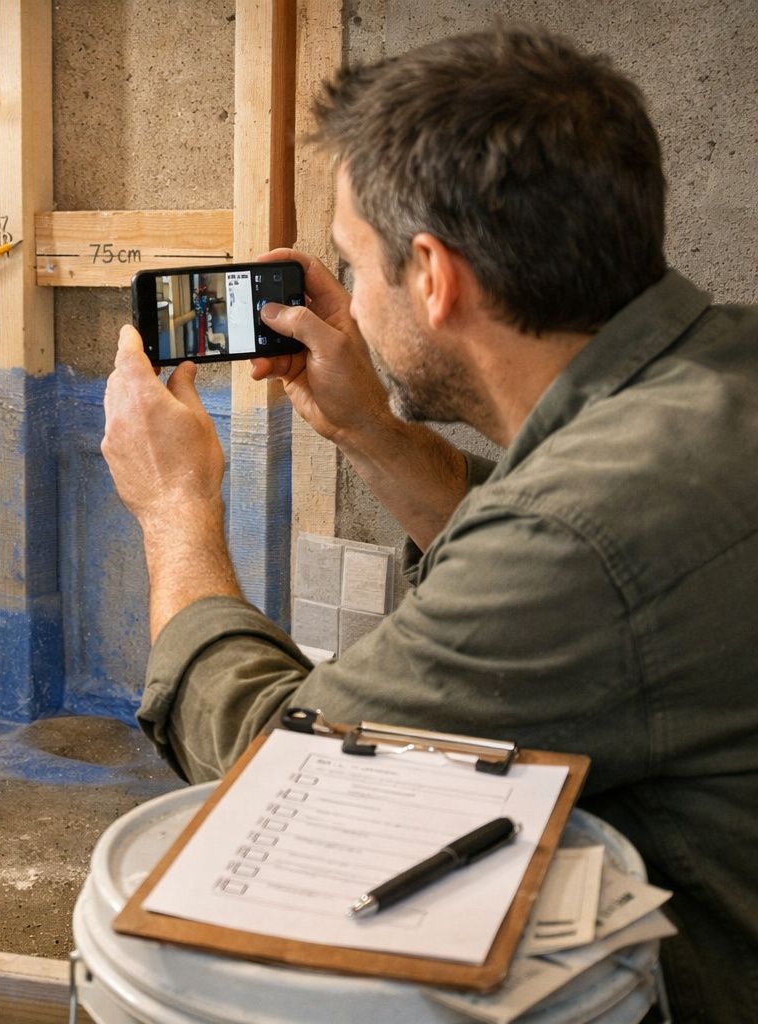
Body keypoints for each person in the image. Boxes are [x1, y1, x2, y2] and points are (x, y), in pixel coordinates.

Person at [102, 27, 756, 1021]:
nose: (350, 301)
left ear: (434, 276)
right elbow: (567, 548)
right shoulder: (715, 375)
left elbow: (285, 772)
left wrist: (175, 511)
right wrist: (374, 431)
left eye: (354, 266)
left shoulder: (582, 537)